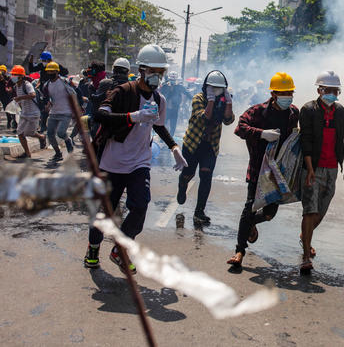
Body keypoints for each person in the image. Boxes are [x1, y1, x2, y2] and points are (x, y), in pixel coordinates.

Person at [83, 44, 188, 274]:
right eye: (153, 71)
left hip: (140, 162)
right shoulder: (123, 92)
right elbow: (102, 115)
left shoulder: (160, 100)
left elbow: (159, 127)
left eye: (161, 72)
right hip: (113, 162)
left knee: (140, 206)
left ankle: (120, 250)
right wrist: (133, 116)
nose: (157, 76)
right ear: (141, 70)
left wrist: (174, 147)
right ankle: (93, 249)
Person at [227, 72, 299, 268]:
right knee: (250, 206)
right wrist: (261, 134)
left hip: (278, 173)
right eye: (283, 93)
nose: (288, 97)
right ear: (274, 94)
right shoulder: (258, 112)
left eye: (290, 92)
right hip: (258, 169)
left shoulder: (294, 113)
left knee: (269, 214)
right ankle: (239, 251)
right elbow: (239, 128)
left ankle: (252, 223)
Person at [299, 71, 344, 274]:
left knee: (320, 212)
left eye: (335, 91)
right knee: (310, 210)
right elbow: (305, 140)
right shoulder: (308, 110)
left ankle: (305, 236)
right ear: (319, 90)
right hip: (312, 169)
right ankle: (306, 255)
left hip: (333, 169)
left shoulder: (340, 111)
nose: (332, 94)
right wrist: (310, 169)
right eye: (328, 90)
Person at [177, 70, 235, 224]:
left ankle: (199, 211)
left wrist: (228, 102)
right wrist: (211, 100)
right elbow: (205, 117)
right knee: (188, 174)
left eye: (219, 88)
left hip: (210, 145)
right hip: (193, 143)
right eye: (212, 87)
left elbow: (229, 120)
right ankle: (182, 185)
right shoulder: (198, 98)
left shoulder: (224, 101)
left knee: (206, 175)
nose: (215, 90)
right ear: (206, 87)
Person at [41, 62, 76, 162]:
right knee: (50, 134)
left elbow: (74, 94)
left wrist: (75, 109)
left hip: (66, 112)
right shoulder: (46, 85)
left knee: (61, 133)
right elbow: (48, 98)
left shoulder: (65, 82)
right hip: (54, 112)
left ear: (57, 72)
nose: (50, 73)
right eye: (49, 71)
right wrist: (48, 104)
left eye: (52, 71)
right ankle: (58, 153)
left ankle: (67, 140)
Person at [10, 65, 46, 158]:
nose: (13, 77)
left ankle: (42, 137)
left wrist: (19, 98)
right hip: (24, 113)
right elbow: (21, 101)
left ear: (21, 76)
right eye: (13, 75)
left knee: (29, 133)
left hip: (33, 113)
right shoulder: (16, 86)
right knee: (20, 133)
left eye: (15, 75)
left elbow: (33, 95)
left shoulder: (27, 84)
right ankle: (27, 153)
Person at [0, 65, 17, 130]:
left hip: (7, 95)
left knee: (10, 108)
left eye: (3, 71)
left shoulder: (7, 78)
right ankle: (9, 119)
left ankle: (12, 120)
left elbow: (9, 85)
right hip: (2, 95)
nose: (2, 72)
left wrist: (3, 80)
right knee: (5, 108)